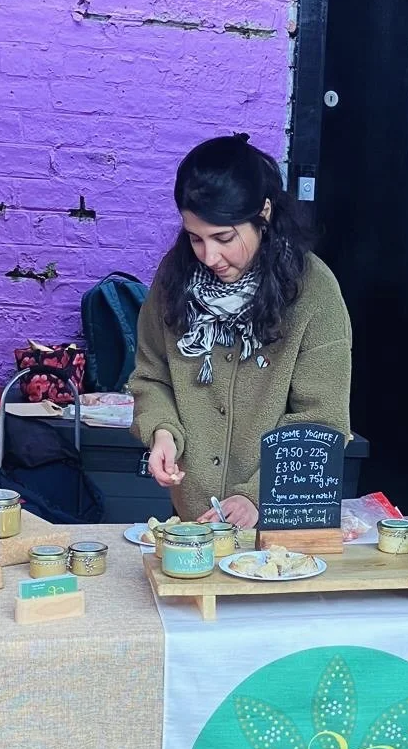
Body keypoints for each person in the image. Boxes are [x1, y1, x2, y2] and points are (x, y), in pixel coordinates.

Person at [129, 134, 352, 528]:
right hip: (191, 523)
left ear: (263, 214)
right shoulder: (173, 280)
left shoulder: (313, 291)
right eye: (195, 238)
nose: (209, 256)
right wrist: (162, 432)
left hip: (277, 529)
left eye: (224, 238)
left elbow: (322, 419)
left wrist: (257, 495)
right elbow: (152, 377)